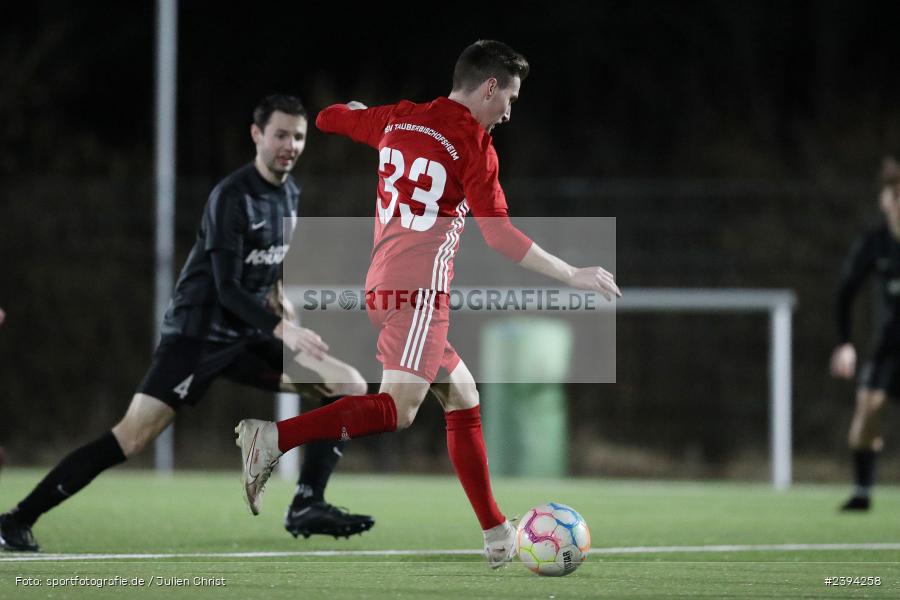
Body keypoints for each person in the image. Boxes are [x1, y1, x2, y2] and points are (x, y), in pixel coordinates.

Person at [234, 41, 621, 568]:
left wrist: (349, 112)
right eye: (509, 96)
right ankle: (273, 437)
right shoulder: (474, 145)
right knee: (397, 410)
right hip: (418, 293)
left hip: (382, 282)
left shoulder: (400, 118)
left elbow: (326, 119)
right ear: (488, 87)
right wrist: (571, 273)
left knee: (461, 395)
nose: (509, 109)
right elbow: (501, 237)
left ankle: (496, 533)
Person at [0, 95, 374, 552]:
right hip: (197, 334)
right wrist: (283, 330)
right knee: (132, 436)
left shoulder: (290, 193)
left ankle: (306, 501)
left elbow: (269, 261)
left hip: (248, 334)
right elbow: (226, 287)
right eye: (280, 134)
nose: (290, 145)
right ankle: (16, 519)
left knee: (348, 385)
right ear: (257, 135)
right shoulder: (231, 197)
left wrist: (278, 297)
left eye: (298, 136)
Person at [830, 156, 900, 512]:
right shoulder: (876, 242)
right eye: (895, 195)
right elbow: (846, 291)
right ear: (885, 201)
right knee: (867, 413)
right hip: (890, 343)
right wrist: (844, 343)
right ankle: (862, 491)